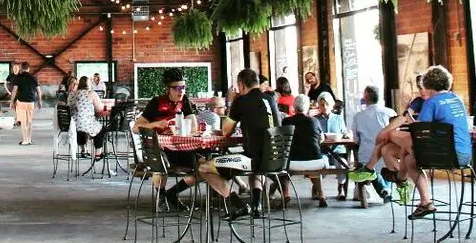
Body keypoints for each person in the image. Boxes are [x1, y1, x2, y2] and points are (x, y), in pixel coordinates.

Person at [135, 68, 236, 211]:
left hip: (182, 148)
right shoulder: (156, 103)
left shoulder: (185, 101)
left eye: (183, 87)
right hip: (160, 149)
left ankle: (172, 193)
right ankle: (161, 197)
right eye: (176, 88)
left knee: (204, 168)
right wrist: (157, 124)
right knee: (161, 164)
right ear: (168, 89)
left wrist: (189, 124)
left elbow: (193, 127)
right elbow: (136, 127)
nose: (181, 91)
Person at [406, 65, 471, 220]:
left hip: (446, 155)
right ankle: (421, 199)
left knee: (409, 159)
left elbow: (420, 131)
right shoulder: (457, 99)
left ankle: (425, 201)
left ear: (427, 84)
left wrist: (408, 119)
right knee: (409, 151)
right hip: (465, 156)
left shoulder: (432, 102)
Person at [227, 68, 280, 215]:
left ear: (242, 85)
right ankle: (256, 204)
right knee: (256, 155)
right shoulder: (271, 100)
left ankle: (241, 205)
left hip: (253, 160)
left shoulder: (241, 101)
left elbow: (226, 131)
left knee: (206, 168)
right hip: (276, 160)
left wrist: (232, 102)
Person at [348, 85, 395, 203]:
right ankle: (386, 190)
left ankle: (384, 190)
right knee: (385, 167)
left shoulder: (359, 116)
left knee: (369, 168)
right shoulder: (390, 112)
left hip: (367, 154)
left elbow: (356, 139)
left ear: (366, 98)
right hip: (388, 152)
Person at [284, 94, 330, 207]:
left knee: (283, 165)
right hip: (314, 161)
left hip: (292, 162)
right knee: (315, 165)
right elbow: (322, 139)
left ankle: (286, 194)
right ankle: (321, 195)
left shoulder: (286, 121)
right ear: (307, 108)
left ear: (294, 107)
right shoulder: (314, 121)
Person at [314, 91, 350, 199]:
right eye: (321, 105)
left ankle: (341, 188)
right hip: (322, 151)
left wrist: (345, 136)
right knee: (321, 164)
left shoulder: (338, 118)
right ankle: (318, 189)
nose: (324, 107)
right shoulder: (316, 119)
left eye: (326, 104)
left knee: (342, 163)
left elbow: (344, 133)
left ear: (331, 105)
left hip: (337, 150)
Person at [71, 76, 106, 160]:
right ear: (88, 84)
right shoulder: (91, 93)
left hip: (73, 125)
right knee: (101, 129)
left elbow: (69, 106)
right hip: (87, 123)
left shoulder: (73, 94)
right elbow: (99, 109)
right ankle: (98, 153)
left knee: (81, 128)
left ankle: (83, 150)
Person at [8, 62, 42, 146]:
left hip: (21, 102)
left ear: (21, 68)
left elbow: (14, 91)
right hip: (31, 102)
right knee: (29, 121)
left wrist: (11, 102)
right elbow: (38, 91)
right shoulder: (33, 77)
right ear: (28, 68)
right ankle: (29, 139)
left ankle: (25, 140)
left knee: (23, 122)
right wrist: (40, 101)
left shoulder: (18, 77)